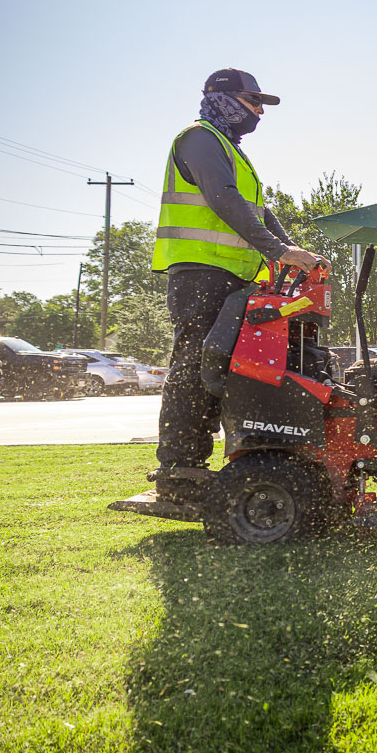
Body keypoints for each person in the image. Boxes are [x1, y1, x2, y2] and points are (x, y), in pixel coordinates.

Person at [150, 68, 327, 502]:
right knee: (194, 368)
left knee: (225, 373)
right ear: (224, 98)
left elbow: (258, 214)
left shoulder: (230, 148)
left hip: (232, 276)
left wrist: (292, 249)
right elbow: (224, 199)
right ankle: (178, 473)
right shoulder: (199, 139)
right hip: (200, 274)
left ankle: (209, 464)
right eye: (254, 102)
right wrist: (280, 252)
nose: (260, 113)